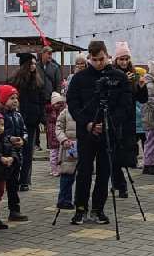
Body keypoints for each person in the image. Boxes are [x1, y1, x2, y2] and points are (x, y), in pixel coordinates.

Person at [65, 41, 130, 224]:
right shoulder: (80, 78)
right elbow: (73, 103)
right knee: (84, 170)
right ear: (89, 58)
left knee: (104, 171)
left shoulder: (118, 77)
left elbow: (125, 105)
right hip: (86, 132)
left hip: (108, 132)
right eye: (94, 60)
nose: (98, 63)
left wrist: (109, 123)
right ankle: (80, 208)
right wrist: (86, 123)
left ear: (107, 56)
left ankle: (98, 208)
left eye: (101, 59)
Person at [109, 42, 145, 193]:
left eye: (126, 59)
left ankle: (119, 183)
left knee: (124, 155)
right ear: (116, 60)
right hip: (115, 119)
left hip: (129, 121)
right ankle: (120, 184)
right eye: (121, 59)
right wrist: (123, 81)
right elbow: (111, 97)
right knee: (113, 154)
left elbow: (142, 99)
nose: (124, 62)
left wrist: (141, 86)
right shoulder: (111, 74)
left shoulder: (133, 74)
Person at [0, 85, 29, 220]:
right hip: (6, 154)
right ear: (3, 100)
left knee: (14, 184)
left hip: (17, 154)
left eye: (16, 98)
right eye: (11, 98)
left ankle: (14, 210)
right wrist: (10, 139)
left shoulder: (18, 115)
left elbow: (25, 131)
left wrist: (23, 140)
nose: (15, 101)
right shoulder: (0, 115)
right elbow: (0, 134)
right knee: (2, 185)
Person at [9, 55, 45, 187]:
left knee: (28, 151)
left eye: (35, 64)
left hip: (31, 121)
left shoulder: (38, 82)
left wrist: (42, 118)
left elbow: (42, 101)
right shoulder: (15, 82)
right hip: (16, 120)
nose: (34, 66)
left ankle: (24, 180)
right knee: (14, 149)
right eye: (31, 64)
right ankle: (12, 178)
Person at [52, 94, 77, 210]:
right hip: (69, 147)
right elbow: (58, 128)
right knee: (67, 174)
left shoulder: (87, 111)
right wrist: (63, 139)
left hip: (83, 146)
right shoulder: (65, 113)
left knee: (82, 175)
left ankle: (79, 199)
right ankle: (64, 200)